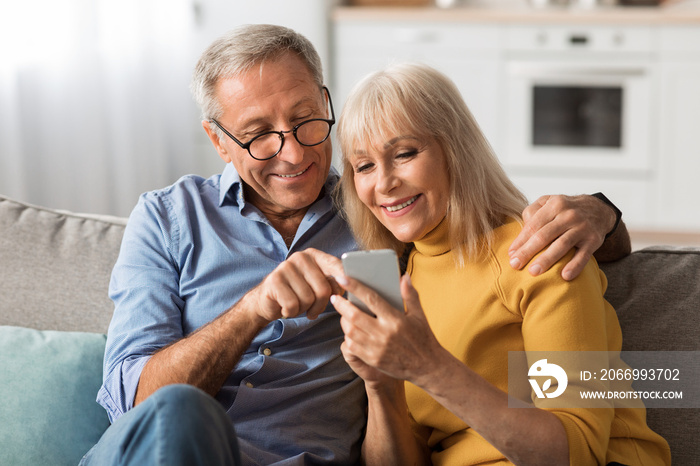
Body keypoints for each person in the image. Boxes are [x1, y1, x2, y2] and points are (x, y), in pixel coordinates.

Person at [82, 25, 633, 465]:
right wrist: (251, 310)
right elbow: (140, 408)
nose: (294, 154)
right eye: (257, 134)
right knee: (179, 413)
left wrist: (601, 212)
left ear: (326, 102)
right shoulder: (168, 218)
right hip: (171, 450)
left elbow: (516, 245)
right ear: (218, 141)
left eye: (305, 121)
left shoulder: (381, 227)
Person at [330, 62, 670, 465]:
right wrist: (380, 385)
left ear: (454, 151)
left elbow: (577, 450)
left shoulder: (537, 253)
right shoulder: (404, 278)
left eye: (404, 153)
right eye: (364, 165)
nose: (383, 182)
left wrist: (428, 368)